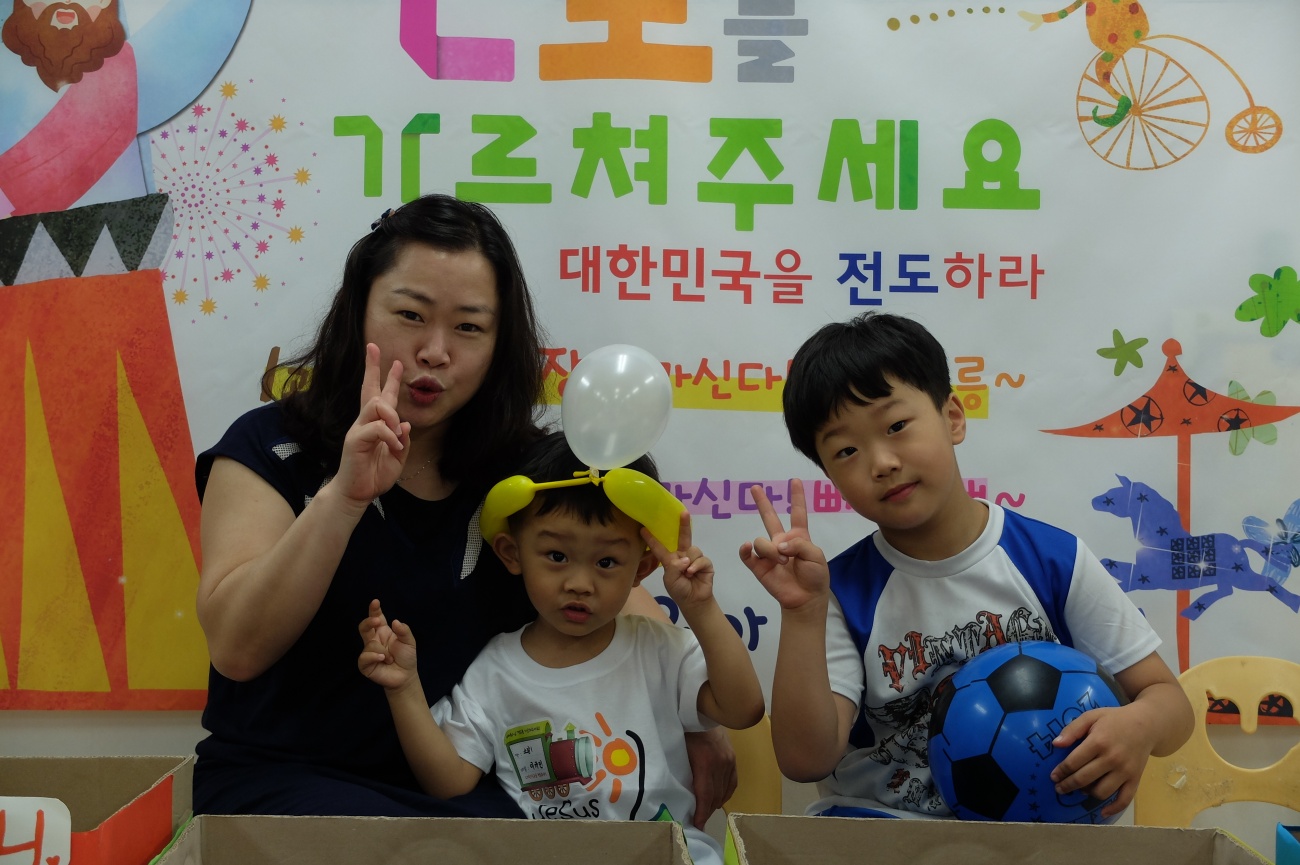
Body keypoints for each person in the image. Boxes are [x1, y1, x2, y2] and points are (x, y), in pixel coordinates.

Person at [192, 193, 735, 819]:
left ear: (502, 343)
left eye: (469, 327)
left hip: (467, 787)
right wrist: (343, 496)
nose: (435, 351)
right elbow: (237, 649)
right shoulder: (273, 446)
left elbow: (616, 602)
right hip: (282, 781)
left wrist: (693, 718)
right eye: (410, 315)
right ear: (358, 311)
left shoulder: (528, 473)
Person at [740, 311, 1194, 821]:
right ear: (829, 476)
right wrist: (802, 613)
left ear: (953, 417)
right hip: (883, 836)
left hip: (1043, 837)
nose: (882, 462)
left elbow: (1171, 705)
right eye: (846, 450)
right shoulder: (838, 591)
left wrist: (1140, 726)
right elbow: (805, 761)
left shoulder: (1054, 559)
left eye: (897, 426)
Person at [358, 431, 764, 865]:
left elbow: (744, 709)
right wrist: (404, 689)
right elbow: (449, 781)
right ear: (511, 553)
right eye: (556, 556)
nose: (579, 583)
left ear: (642, 568)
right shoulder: (495, 670)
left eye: (606, 562)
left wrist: (700, 608)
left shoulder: (661, 649)